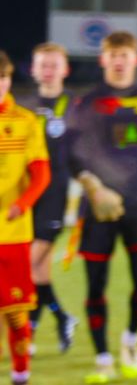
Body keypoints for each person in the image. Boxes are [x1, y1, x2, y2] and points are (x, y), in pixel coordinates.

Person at [68, 30, 137, 384]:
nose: (119, 61)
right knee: (95, 286)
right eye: (113, 55)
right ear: (103, 60)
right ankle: (102, 358)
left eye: (124, 55)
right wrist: (93, 186)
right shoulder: (88, 103)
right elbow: (72, 153)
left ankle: (130, 339)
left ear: (135, 59)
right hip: (98, 206)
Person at [0, 52, 52, 385]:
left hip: (12, 234)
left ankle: (20, 379)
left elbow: (42, 173)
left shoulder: (26, 122)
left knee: (16, 313)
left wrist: (24, 203)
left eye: (2, 78)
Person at [19, 42, 77, 351]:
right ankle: (59, 319)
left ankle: (29, 329)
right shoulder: (23, 107)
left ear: (65, 69)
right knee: (39, 270)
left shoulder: (75, 107)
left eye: (54, 64)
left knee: (25, 266)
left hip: (54, 196)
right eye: (43, 64)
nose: (48, 70)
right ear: (33, 69)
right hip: (26, 196)